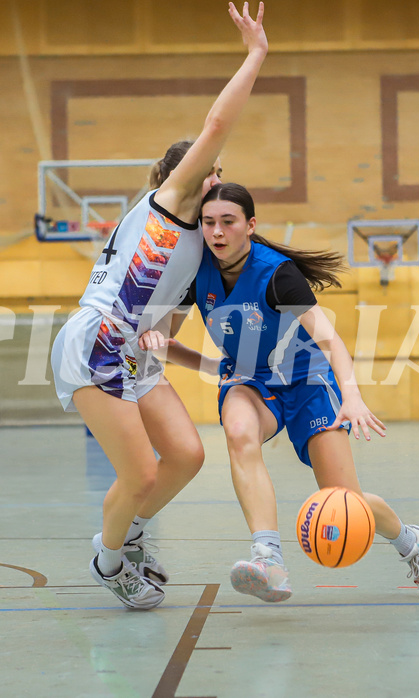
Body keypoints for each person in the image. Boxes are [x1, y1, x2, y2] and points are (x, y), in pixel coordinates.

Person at [50, 4, 268, 610]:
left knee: (187, 454)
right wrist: (255, 54)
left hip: (132, 352)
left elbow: (162, 338)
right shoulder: (168, 202)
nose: (216, 180)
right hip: (94, 344)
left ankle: (130, 532)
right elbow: (219, 124)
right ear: (181, 175)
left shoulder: (201, 244)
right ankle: (110, 558)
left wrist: (219, 369)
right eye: (209, 171)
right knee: (141, 474)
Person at [140, 182, 419, 603]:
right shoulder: (196, 273)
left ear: (249, 225)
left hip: (307, 383)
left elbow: (331, 342)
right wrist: (165, 344)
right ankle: (268, 558)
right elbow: (166, 339)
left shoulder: (278, 274)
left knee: (345, 500)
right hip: (249, 382)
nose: (217, 232)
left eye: (228, 222)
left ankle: (413, 544)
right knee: (239, 432)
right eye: (209, 222)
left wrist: (353, 396)